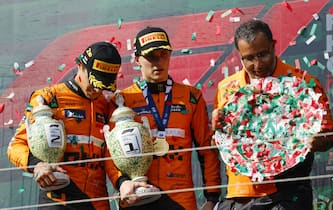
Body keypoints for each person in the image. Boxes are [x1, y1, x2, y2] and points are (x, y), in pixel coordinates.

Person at [212, 19, 333, 210]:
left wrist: (319, 140)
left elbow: (329, 136)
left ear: (273, 46)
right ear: (240, 57)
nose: (257, 64)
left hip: (287, 194)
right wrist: (217, 132)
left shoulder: (305, 84)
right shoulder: (226, 88)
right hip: (239, 195)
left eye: (263, 54)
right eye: (249, 58)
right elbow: (221, 142)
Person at [7, 41, 128, 210]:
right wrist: (38, 165)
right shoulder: (48, 97)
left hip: (97, 202)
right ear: (80, 65)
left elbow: (112, 156)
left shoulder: (107, 105)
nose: (97, 89)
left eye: (102, 84)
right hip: (59, 199)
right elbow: (16, 146)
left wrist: (122, 182)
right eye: (93, 81)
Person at [116, 26, 221, 210]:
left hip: (180, 197)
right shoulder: (122, 100)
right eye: (151, 57)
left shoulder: (191, 96)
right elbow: (111, 154)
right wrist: (122, 182)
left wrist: (212, 198)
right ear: (137, 59)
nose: (159, 62)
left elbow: (206, 149)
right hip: (138, 194)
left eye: (163, 54)